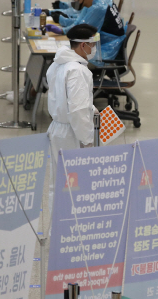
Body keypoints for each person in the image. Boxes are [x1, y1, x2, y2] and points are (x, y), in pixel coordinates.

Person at [46, 24, 99, 216]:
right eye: (92, 45)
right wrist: (87, 140)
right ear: (83, 45)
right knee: (74, 184)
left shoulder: (58, 64)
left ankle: (57, 230)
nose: (94, 49)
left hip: (57, 128)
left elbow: (62, 96)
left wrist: (90, 107)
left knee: (57, 183)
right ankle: (71, 229)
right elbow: (76, 110)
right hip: (72, 132)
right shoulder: (77, 71)